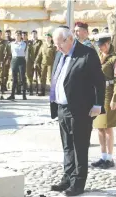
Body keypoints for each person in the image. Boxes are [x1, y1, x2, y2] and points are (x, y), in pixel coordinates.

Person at [50, 26, 105, 196]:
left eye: (59, 44)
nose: (57, 48)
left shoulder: (87, 54)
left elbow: (99, 81)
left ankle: (78, 183)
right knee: (67, 147)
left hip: (80, 110)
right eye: (55, 45)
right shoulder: (60, 53)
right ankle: (67, 178)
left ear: (69, 39)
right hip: (62, 108)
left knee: (79, 147)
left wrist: (98, 105)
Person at [91, 33, 116, 169]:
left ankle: (110, 158)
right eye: (98, 46)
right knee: (99, 127)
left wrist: (114, 98)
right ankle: (103, 156)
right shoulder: (99, 57)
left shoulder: (114, 59)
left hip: (109, 94)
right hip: (98, 94)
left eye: (101, 45)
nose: (100, 48)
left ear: (107, 44)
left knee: (108, 128)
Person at [7, 30, 27, 100]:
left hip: (21, 60)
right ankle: (12, 94)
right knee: (14, 78)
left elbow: (26, 53)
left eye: (19, 35)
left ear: (21, 36)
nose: (18, 36)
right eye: (16, 35)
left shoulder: (24, 44)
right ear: (14, 36)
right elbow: (9, 53)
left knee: (22, 78)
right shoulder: (11, 44)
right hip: (14, 60)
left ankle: (24, 95)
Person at [27, 30, 42, 95]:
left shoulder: (40, 42)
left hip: (38, 61)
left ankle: (39, 90)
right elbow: (28, 52)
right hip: (30, 61)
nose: (34, 35)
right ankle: (30, 90)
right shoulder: (29, 42)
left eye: (35, 34)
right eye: (33, 34)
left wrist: (36, 60)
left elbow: (40, 51)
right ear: (31, 35)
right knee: (30, 76)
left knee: (39, 75)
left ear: (37, 34)